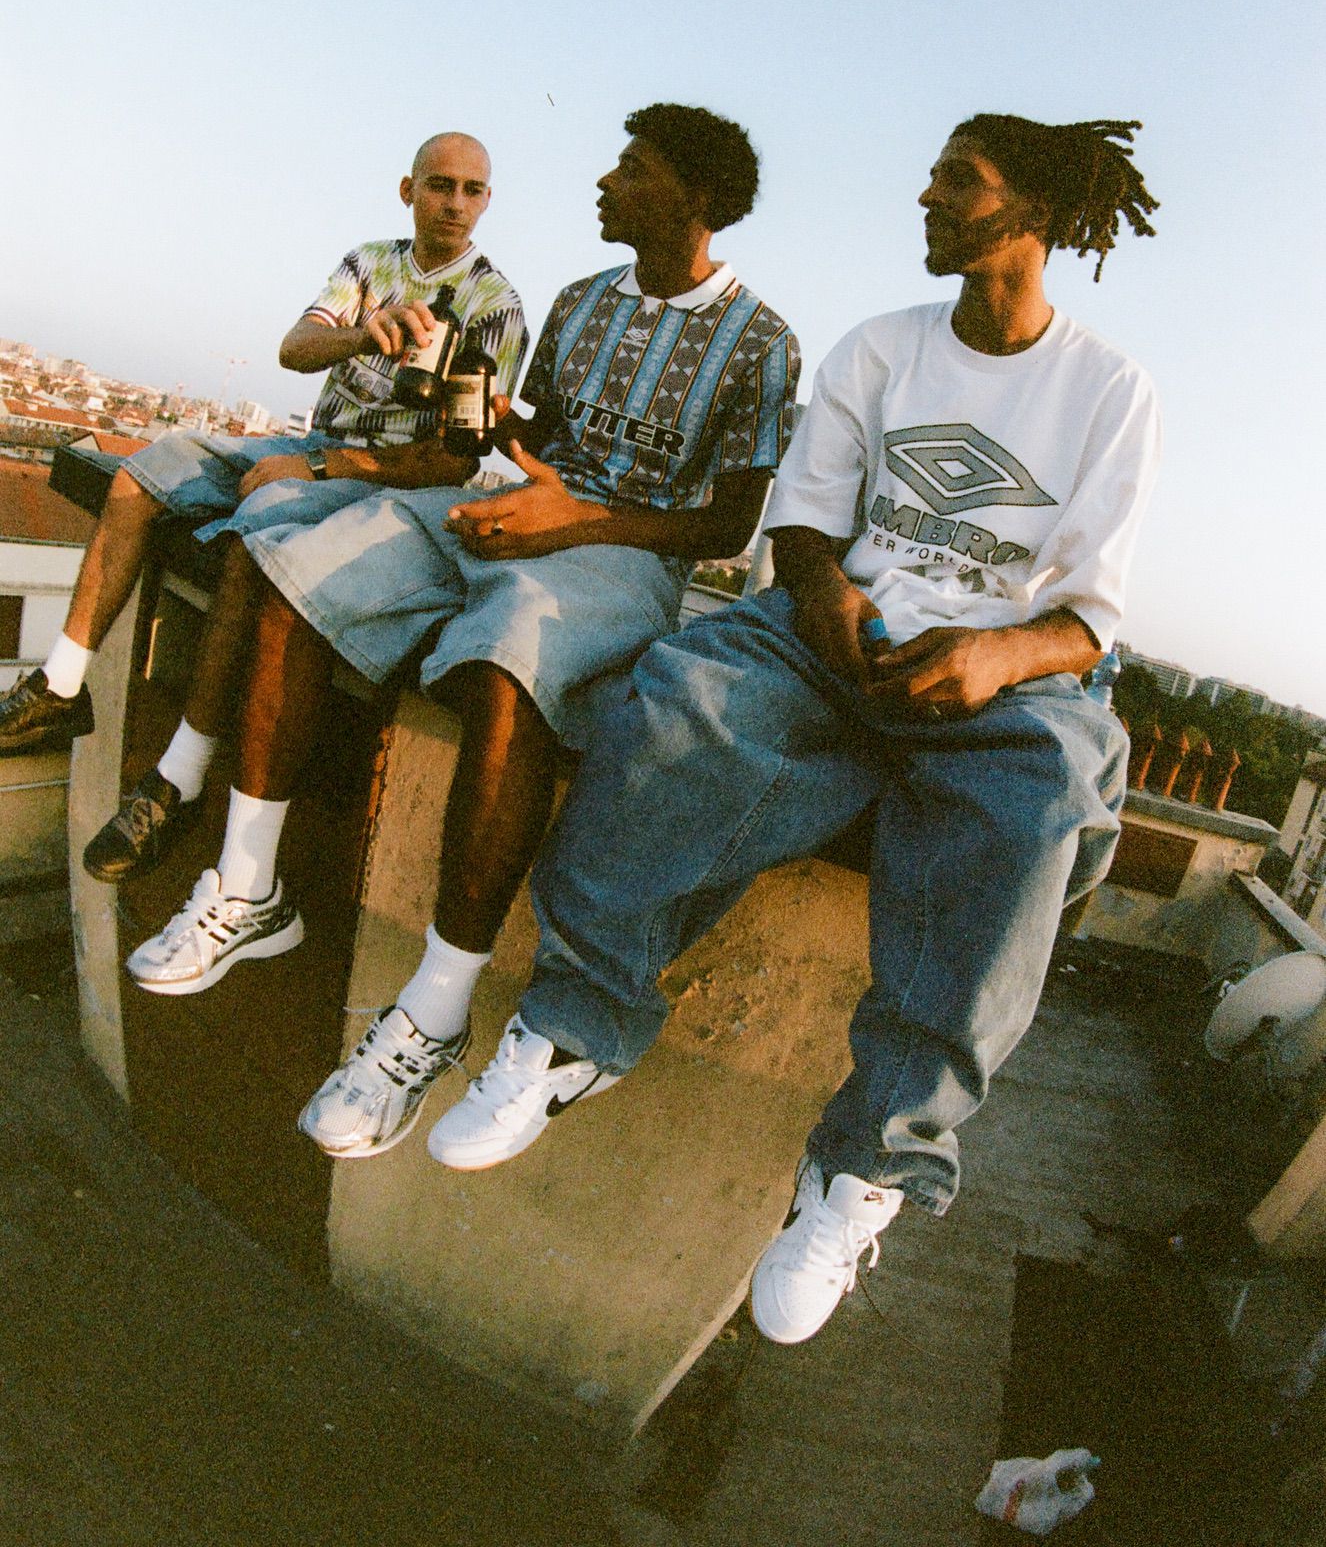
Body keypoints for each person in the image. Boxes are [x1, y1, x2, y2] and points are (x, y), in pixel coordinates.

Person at [428, 113, 1162, 1349]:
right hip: (834, 636)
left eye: (958, 181)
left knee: (1045, 808)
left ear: (1033, 208)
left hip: (996, 683)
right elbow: (806, 529)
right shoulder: (882, 348)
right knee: (681, 694)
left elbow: (1087, 620)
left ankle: (863, 1166)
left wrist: (990, 654)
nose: (925, 194)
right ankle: (575, 1029)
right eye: (930, 170)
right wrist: (831, 614)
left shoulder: (1110, 391)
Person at [123, 103, 802, 1165]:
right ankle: (247, 889)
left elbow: (728, 523)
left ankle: (434, 1011)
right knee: (299, 563)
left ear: (696, 198)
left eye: (633, 167)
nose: (607, 179)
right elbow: (530, 435)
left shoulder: (762, 342)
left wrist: (572, 519)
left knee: (507, 661)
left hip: (623, 554)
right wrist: (475, 416)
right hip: (513, 509)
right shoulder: (580, 301)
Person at [0, 133, 527, 889]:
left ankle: (175, 780)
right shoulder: (370, 262)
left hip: (387, 476)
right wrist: (359, 334)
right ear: (407, 190)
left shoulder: (494, 305)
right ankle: (58, 684)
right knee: (145, 472)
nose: (455, 203)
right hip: (318, 442)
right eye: (440, 184)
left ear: (486, 201)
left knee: (259, 527)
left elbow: (453, 459)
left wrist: (314, 465)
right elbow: (294, 347)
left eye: (472, 190)